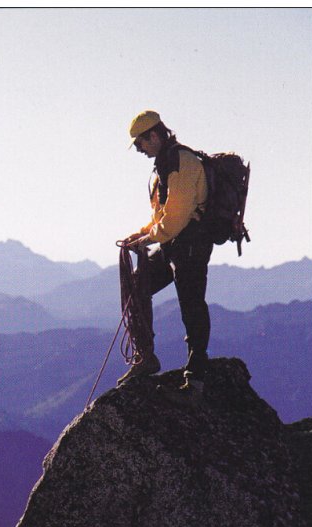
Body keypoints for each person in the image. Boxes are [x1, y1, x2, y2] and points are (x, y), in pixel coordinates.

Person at [119, 110, 213, 389]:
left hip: (191, 243)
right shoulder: (166, 163)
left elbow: (176, 216)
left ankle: (195, 377)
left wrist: (149, 239)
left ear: (155, 135)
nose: (139, 150)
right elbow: (164, 215)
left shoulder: (181, 162)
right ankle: (146, 356)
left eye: (140, 143)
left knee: (191, 303)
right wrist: (145, 233)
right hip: (177, 243)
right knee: (140, 285)